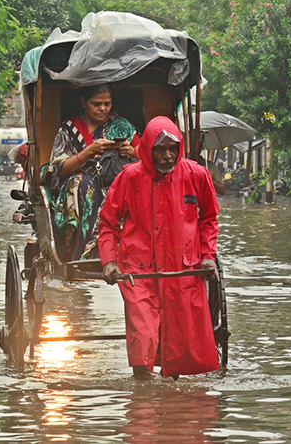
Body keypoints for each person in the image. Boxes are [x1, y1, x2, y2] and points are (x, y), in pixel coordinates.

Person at [98, 116, 220, 379]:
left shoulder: (196, 175)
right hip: (138, 271)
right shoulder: (129, 177)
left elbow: (209, 218)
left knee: (179, 339)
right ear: (147, 150)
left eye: (172, 149)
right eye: (160, 150)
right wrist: (109, 261)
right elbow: (108, 223)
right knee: (143, 332)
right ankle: (143, 392)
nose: (167, 156)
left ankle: (169, 398)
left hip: (182, 268)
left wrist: (208, 256)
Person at [48, 84, 139, 261]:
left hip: (116, 183)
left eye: (107, 103)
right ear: (84, 103)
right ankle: (81, 253)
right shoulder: (68, 129)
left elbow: (146, 156)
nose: (103, 109)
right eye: (96, 104)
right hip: (80, 188)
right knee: (82, 185)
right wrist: (88, 152)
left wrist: (130, 151)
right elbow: (58, 171)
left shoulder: (121, 126)